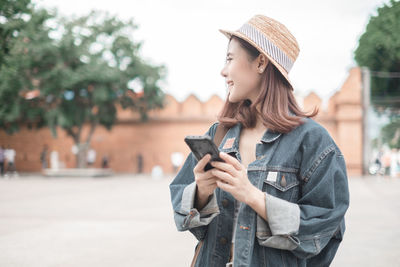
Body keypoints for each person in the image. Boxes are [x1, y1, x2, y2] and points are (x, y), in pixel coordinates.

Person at [169, 15, 349, 267]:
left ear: (261, 62)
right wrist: (201, 191)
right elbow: (181, 210)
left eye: (230, 58)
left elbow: (326, 229)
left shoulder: (312, 141)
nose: (223, 70)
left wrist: (253, 196)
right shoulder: (219, 134)